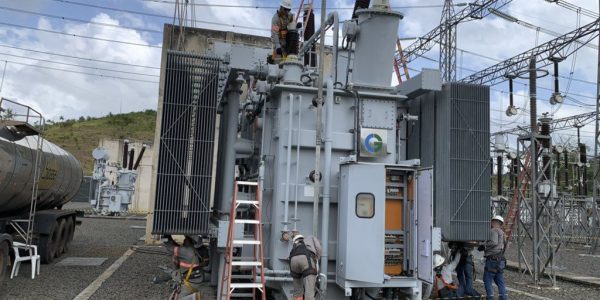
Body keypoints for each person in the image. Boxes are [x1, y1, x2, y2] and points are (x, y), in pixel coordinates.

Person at [478, 215, 507, 300]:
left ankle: (490, 298)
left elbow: (494, 242)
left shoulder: (494, 230)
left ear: (494, 222)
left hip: (492, 260)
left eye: (492, 221)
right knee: (500, 281)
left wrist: (484, 246)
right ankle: (503, 298)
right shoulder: (502, 232)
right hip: (501, 259)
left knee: (487, 280)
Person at [289, 234, 322, 300]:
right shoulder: (311, 237)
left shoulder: (295, 245)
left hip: (293, 261)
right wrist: (316, 258)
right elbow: (318, 247)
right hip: (306, 260)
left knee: (297, 293)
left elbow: (290, 257)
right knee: (309, 294)